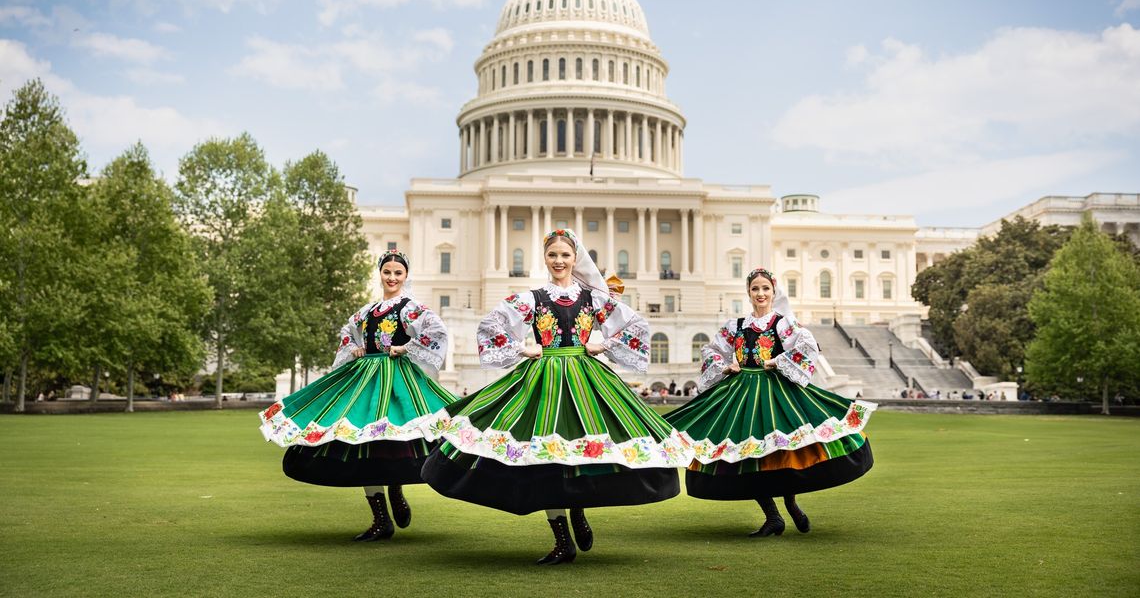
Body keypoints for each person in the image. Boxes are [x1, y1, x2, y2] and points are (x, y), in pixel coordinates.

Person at [421, 228, 688, 565]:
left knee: (581, 446)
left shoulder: (593, 298)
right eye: (552, 255)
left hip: (586, 378)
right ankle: (562, 538)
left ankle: (577, 511)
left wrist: (601, 344)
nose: (559, 261)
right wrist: (523, 348)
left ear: (575, 258)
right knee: (545, 456)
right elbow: (491, 326)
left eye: (565, 255)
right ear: (545, 259)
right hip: (543, 379)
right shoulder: (533, 298)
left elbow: (636, 326)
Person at [259, 249, 454, 542]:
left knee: (395, 436)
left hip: (396, 379)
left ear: (405, 276)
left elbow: (436, 332)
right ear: (380, 274)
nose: (392, 277)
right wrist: (355, 347)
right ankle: (380, 519)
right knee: (361, 440)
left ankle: (396, 489)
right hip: (365, 380)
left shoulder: (410, 308)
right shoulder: (366, 311)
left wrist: (405, 348)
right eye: (387, 272)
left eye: (397, 273)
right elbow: (348, 333)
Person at [666, 268, 875, 537]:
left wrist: (778, 361)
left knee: (784, 449)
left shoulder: (782, 323)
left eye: (765, 288)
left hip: (777, 392)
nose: (760, 294)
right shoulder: (736, 326)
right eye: (755, 289)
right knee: (748, 455)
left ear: (773, 292)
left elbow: (808, 347)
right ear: (748, 293)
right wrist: (725, 366)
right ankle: (772, 515)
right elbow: (711, 350)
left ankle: (791, 504)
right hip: (741, 395)